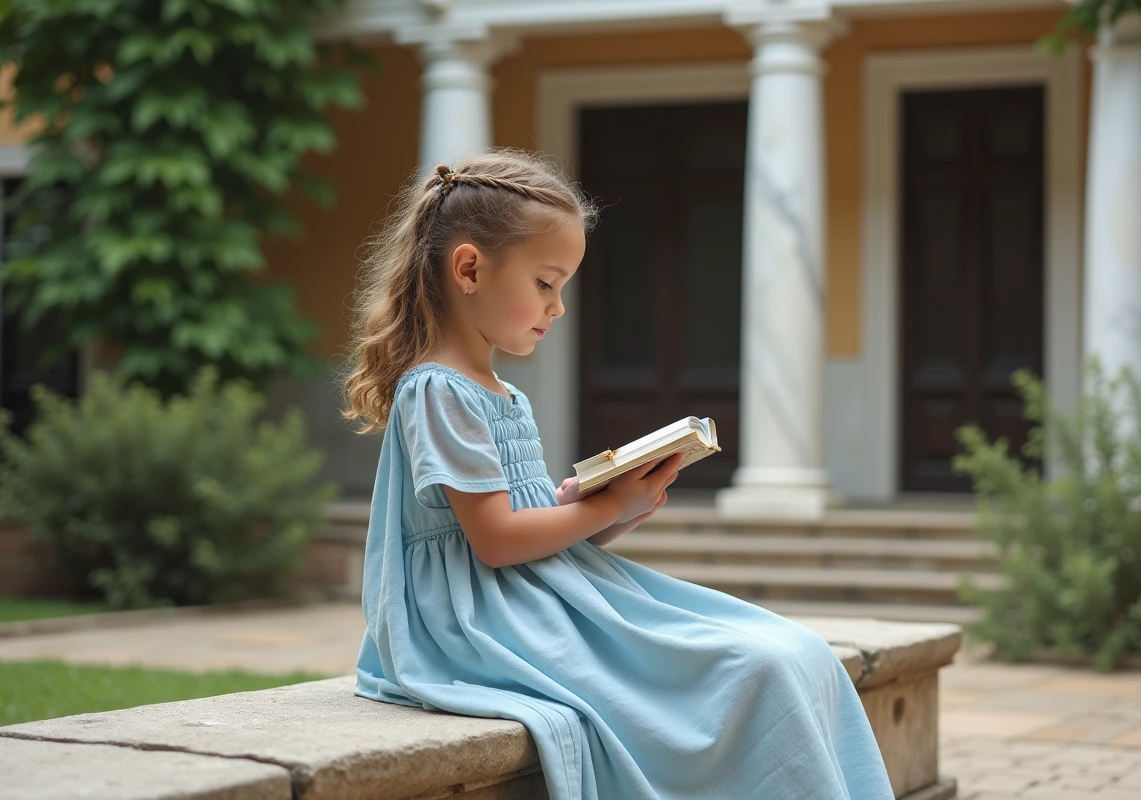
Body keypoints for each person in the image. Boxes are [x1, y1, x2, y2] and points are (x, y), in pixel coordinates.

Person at [341, 148, 895, 800]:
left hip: (542, 595)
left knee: (795, 648)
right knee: (756, 665)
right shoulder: (437, 390)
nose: (559, 306)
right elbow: (492, 542)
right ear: (469, 268)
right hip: (483, 620)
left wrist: (605, 505)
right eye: (546, 283)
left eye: (562, 288)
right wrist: (600, 510)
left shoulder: (502, 394)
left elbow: (523, 524)